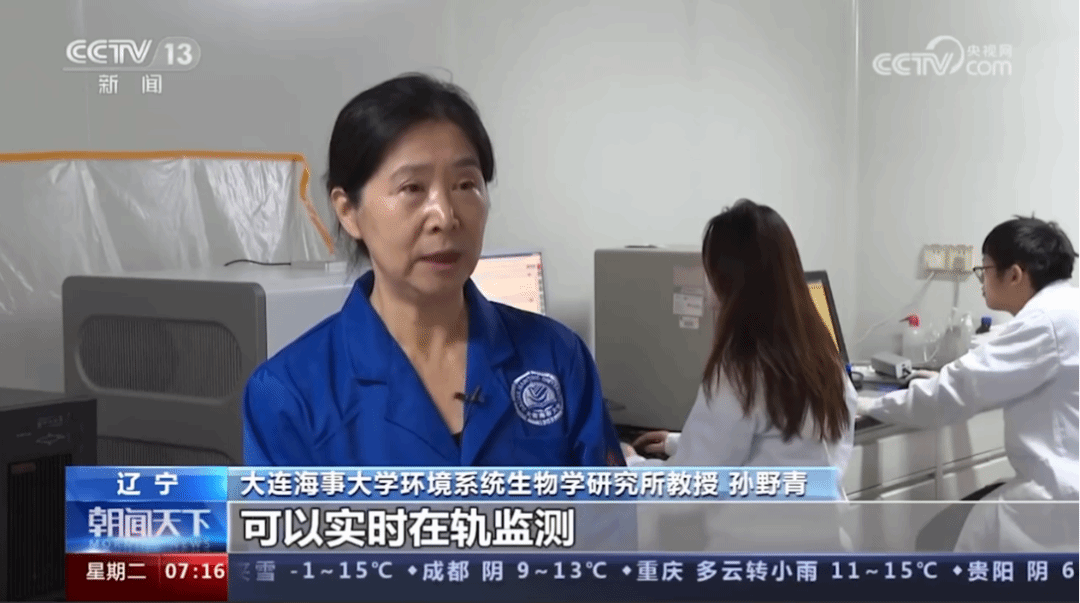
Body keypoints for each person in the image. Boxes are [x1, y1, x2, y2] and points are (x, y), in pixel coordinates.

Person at [242, 73, 625, 467]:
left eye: (465, 185)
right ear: (348, 211)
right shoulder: (287, 394)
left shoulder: (557, 357)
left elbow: (607, 504)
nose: (445, 216)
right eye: (413, 188)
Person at [858, 216, 1079, 552]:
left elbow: (953, 394)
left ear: (1014, 275)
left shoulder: (1044, 322)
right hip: (1063, 492)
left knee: (935, 541)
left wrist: (872, 405)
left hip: (1055, 503)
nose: (981, 281)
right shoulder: (1067, 309)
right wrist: (948, 380)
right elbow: (999, 380)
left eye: (984, 269)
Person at [626, 199, 858, 489]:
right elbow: (777, 447)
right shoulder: (824, 361)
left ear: (727, 281)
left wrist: (631, 465)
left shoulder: (740, 373)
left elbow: (690, 487)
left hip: (758, 520)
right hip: (821, 517)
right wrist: (678, 443)